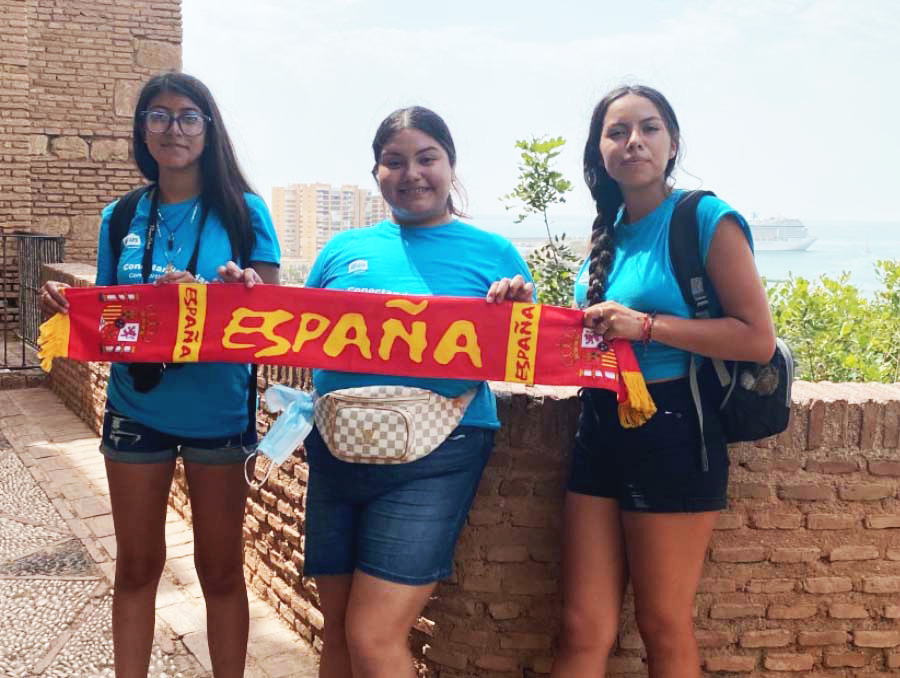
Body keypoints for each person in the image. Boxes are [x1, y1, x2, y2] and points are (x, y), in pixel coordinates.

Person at [40, 72, 280, 678]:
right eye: (159, 116)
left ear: (208, 128)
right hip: (136, 404)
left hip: (219, 412)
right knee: (136, 568)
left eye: (188, 117)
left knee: (221, 572)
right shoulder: (120, 216)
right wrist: (74, 309)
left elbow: (274, 314)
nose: (173, 129)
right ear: (142, 129)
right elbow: (113, 303)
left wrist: (220, 296)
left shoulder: (245, 212)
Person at [552, 85, 775, 678]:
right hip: (600, 424)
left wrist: (647, 326)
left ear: (672, 143)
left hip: (677, 425)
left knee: (662, 624)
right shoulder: (610, 229)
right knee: (580, 626)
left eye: (649, 129)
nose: (633, 142)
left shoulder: (702, 217)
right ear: (599, 151)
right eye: (617, 132)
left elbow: (756, 337)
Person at [303, 106, 533, 678]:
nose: (412, 173)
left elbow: (528, 352)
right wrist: (238, 297)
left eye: (427, 158)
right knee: (338, 632)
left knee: (373, 636)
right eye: (395, 161)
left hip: (437, 456)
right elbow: (291, 332)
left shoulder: (493, 255)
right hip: (335, 450)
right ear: (376, 173)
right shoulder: (340, 251)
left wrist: (518, 313)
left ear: (451, 166)